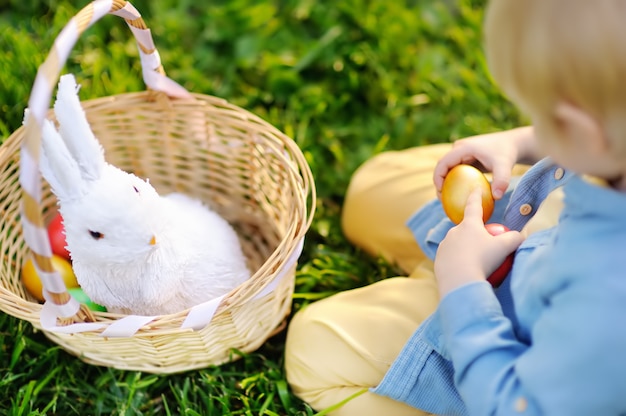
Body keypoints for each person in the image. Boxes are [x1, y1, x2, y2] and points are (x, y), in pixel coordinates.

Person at [284, 0, 626, 415]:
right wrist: (519, 143)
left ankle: (435, 286)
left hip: (510, 354)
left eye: (544, 119)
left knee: (313, 346)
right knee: (372, 187)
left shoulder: (606, 307)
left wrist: (463, 284)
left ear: (582, 132)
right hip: (544, 243)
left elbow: (517, 405)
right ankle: (432, 274)